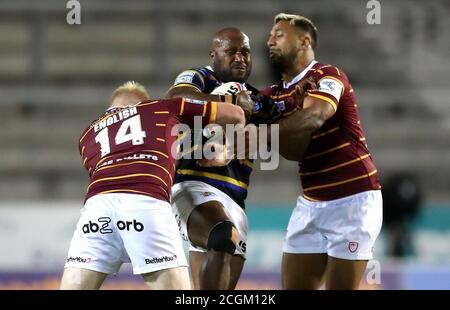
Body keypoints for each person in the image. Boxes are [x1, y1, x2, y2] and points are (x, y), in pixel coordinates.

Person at [59, 81, 245, 290]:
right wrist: (226, 150)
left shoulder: (87, 135)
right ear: (142, 103)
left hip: (96, 210)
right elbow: (236, 113)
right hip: (145, 202)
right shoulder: (162, 107)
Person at [263, 13, 383, 289]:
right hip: (310, 203)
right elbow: (294, 151)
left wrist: (262, 132)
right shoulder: (275, 96)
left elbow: (315, 116)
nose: (270, 40)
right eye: (270, 35)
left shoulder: (328, 75)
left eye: (279, 34)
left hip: (353, 201)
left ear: (304, 42)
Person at [166, 27, 257, 290]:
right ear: (214, 54)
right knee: (221, 235)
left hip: (236, 200)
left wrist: (234, 145)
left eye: (245, 52)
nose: (240, 57)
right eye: (231, 51)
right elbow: (177, 98)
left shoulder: (255, 98)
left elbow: (272, 135)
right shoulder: (199, 77)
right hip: (194, 187)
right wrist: (229, 101)